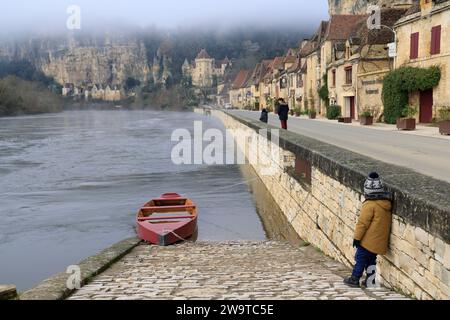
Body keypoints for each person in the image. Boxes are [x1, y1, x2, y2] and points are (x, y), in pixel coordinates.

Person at [344, 172, 392, 288]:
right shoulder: (386, 204)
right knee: (371, 260)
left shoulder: (369, 205)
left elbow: (362, 224)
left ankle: (355, 278)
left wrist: (356, 238)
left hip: (367, 240)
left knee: (360, 258)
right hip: (378, 241)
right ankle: (370, 281)